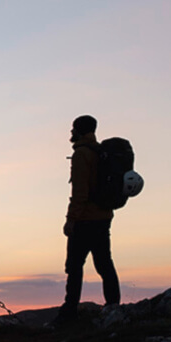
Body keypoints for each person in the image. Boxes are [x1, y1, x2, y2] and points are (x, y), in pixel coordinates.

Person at [55, 114, 120, 326]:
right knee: (104, 263)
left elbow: (79, 192)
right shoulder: (100, 152)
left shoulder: (82, 154)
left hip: (84, 220)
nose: (71, 133)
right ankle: (113, 307)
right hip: (103, 217)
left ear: (80, 131)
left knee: (74, 266)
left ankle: (69, 311)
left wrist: (70, 220)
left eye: (73, 129)